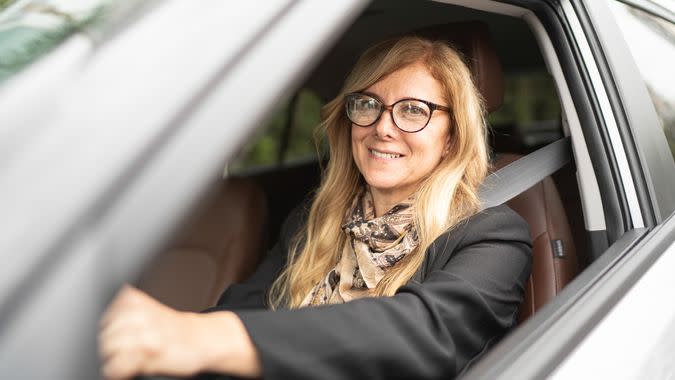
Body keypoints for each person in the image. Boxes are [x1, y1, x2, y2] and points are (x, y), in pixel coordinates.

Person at [99, 36, 532, 380]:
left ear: (452, 138)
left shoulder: (494, 237)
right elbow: (246, 308)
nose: (383, 127)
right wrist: (148, 346)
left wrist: (202, 339)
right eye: (368, 105)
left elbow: (423, 333)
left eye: (413, 111)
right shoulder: (315, 220)